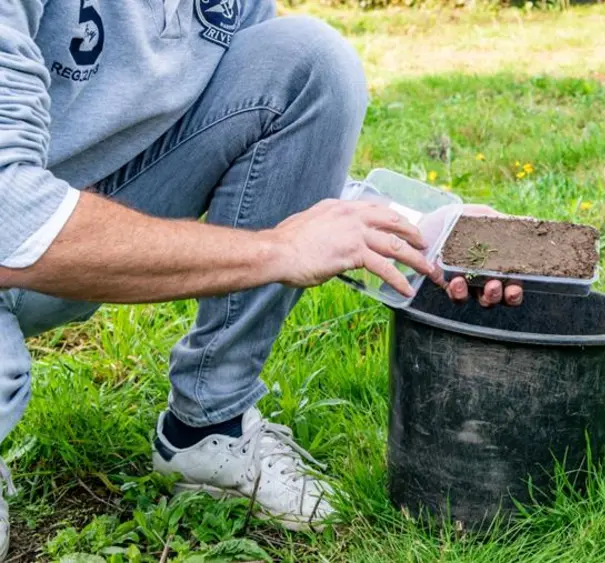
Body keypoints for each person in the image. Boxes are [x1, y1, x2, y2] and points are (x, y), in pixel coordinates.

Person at [0, 1, 522, 557]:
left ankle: (207, 429)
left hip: (80, 217)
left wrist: (424, 232)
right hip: (22, 221)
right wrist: (276, 250)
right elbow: (11, 223)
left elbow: (265, 154)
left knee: (307, 62)